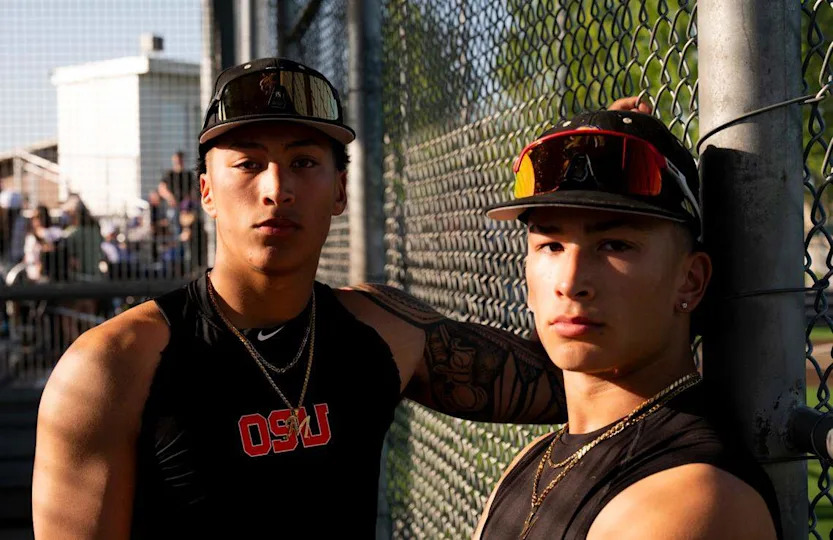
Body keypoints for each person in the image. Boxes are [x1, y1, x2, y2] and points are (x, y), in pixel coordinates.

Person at [32, 58, 571, 539]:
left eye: (304, 162)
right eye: (248, 163)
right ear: (206, 192)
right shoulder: (112, 367)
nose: (276, 189)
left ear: (340, 190)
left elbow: (563, 382)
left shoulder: (382, 330)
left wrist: (585, 214)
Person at [473, 110, 781, 539]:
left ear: (690, 281)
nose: (570, 283)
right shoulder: (533, 460)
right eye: (551, 245)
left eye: (614, 245)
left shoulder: (692, 499)